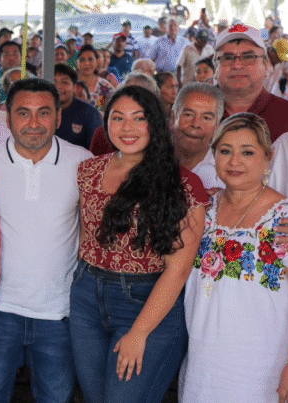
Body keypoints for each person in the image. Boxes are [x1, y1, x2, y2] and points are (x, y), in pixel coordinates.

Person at [70, 86, 207, 403]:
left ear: (156, 123)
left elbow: (178, 270)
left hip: (146, 300)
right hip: (86, 296)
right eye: (117, 118)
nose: (127, 128)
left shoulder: (182, 183)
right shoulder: (88, 170)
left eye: (138, 118)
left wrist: (140, 332)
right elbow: (84, 234)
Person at [0, 78, 92, 403]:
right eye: (23, 113)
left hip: (60, 314)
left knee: (56, 398)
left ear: (58, 117)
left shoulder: (83, 162)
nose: (34, 123)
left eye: (44, 113)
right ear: (6, 116)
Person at [181, 113, 288, 402]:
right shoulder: (202, 209)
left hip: (262, 367)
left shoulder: (285, 217)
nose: (234, 161)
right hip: (203, 362)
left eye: (247, 152)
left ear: (267, 158)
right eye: (225, 151)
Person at [214, 23, 288, 142]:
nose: (237, 65)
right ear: (215, 68)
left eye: (249, 57)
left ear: (266, 66)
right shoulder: (195, 113)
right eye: (228, 58)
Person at [172, 82, 225, 190]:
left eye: (206, 118)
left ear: (217, 126)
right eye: (188, 115)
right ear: (173, 118)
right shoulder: (149, 161)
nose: (195, 124)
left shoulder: (225, 174)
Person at [54, 63, 102, 150]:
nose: (58, 86)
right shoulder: (38, 111)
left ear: (74, 87)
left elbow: (98, 151)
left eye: (65, 82)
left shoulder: (90, 114)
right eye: (54, 82)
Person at [76, 45, 114, 111]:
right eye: (82, 60)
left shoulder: (105, 86)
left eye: (90, 59)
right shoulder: (70, 84)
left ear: (96, 63)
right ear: (77, 63)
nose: (87, 63)